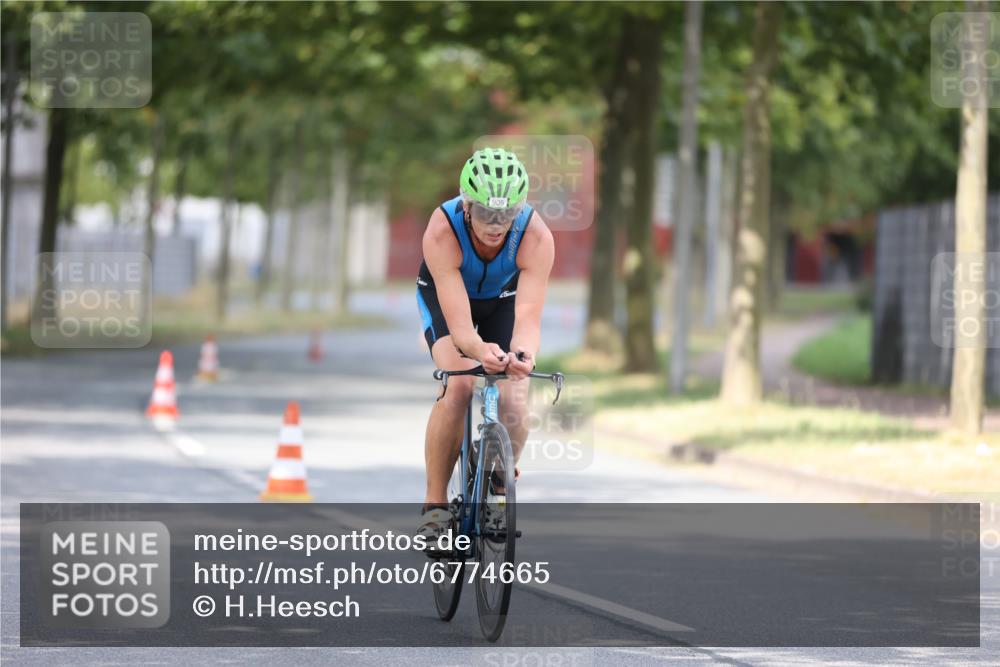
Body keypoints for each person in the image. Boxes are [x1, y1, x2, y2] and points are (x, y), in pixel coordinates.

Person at [415, 147, 554, 542]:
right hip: (447, 298)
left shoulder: (535, 235)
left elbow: (527, 321)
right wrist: (480, 353)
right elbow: (461, 329)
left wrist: (522, 357)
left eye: (507, 214)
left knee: (515, 396)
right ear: (466, 206)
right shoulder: (442, 229)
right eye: (487, 214)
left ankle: (497, 487)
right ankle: (435, 505)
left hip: (504, 302)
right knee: (458, 385)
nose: (497, 225)